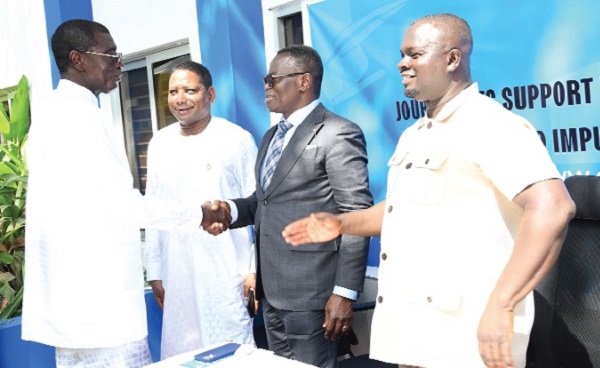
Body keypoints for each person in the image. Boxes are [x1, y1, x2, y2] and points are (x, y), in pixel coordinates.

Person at [282, 14, 576, 368]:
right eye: (402, 54)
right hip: (418, 336)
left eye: (414, 54)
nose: (401, 63)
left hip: (469, 341)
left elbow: (553, 207)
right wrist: (344, 224)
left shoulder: (489, 124)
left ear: (452, 59)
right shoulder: (417, 133)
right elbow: (403, 209)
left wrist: (503, 303)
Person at [204, 45, 373, 368]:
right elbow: (264, 202)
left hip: (314, 297)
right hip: (272, 294)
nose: (265, 86)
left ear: (303, 82)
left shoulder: (337, 133)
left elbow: (357, 218)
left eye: (273, 79)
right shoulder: (270, 137)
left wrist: (345, 293)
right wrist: (229, 211)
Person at [22, 19, 153, 367]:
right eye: (109, 54)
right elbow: (123, 206)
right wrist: (200, 214)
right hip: (101, 306)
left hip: (84, 304)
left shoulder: (60, 112)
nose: (118, 63)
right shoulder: (75, 118)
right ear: (78, 59)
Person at [143, 60, 258, 359]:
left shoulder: (236, 139)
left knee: (235, 352)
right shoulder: (160, 143)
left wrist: (254, 270)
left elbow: (260, 207)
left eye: (190, 90)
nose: (180, 99)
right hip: (177, 272)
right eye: (173, 92)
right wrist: (155, 273)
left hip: (227, 270)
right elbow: (153, 210)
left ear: (211, 94)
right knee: (184, 355)